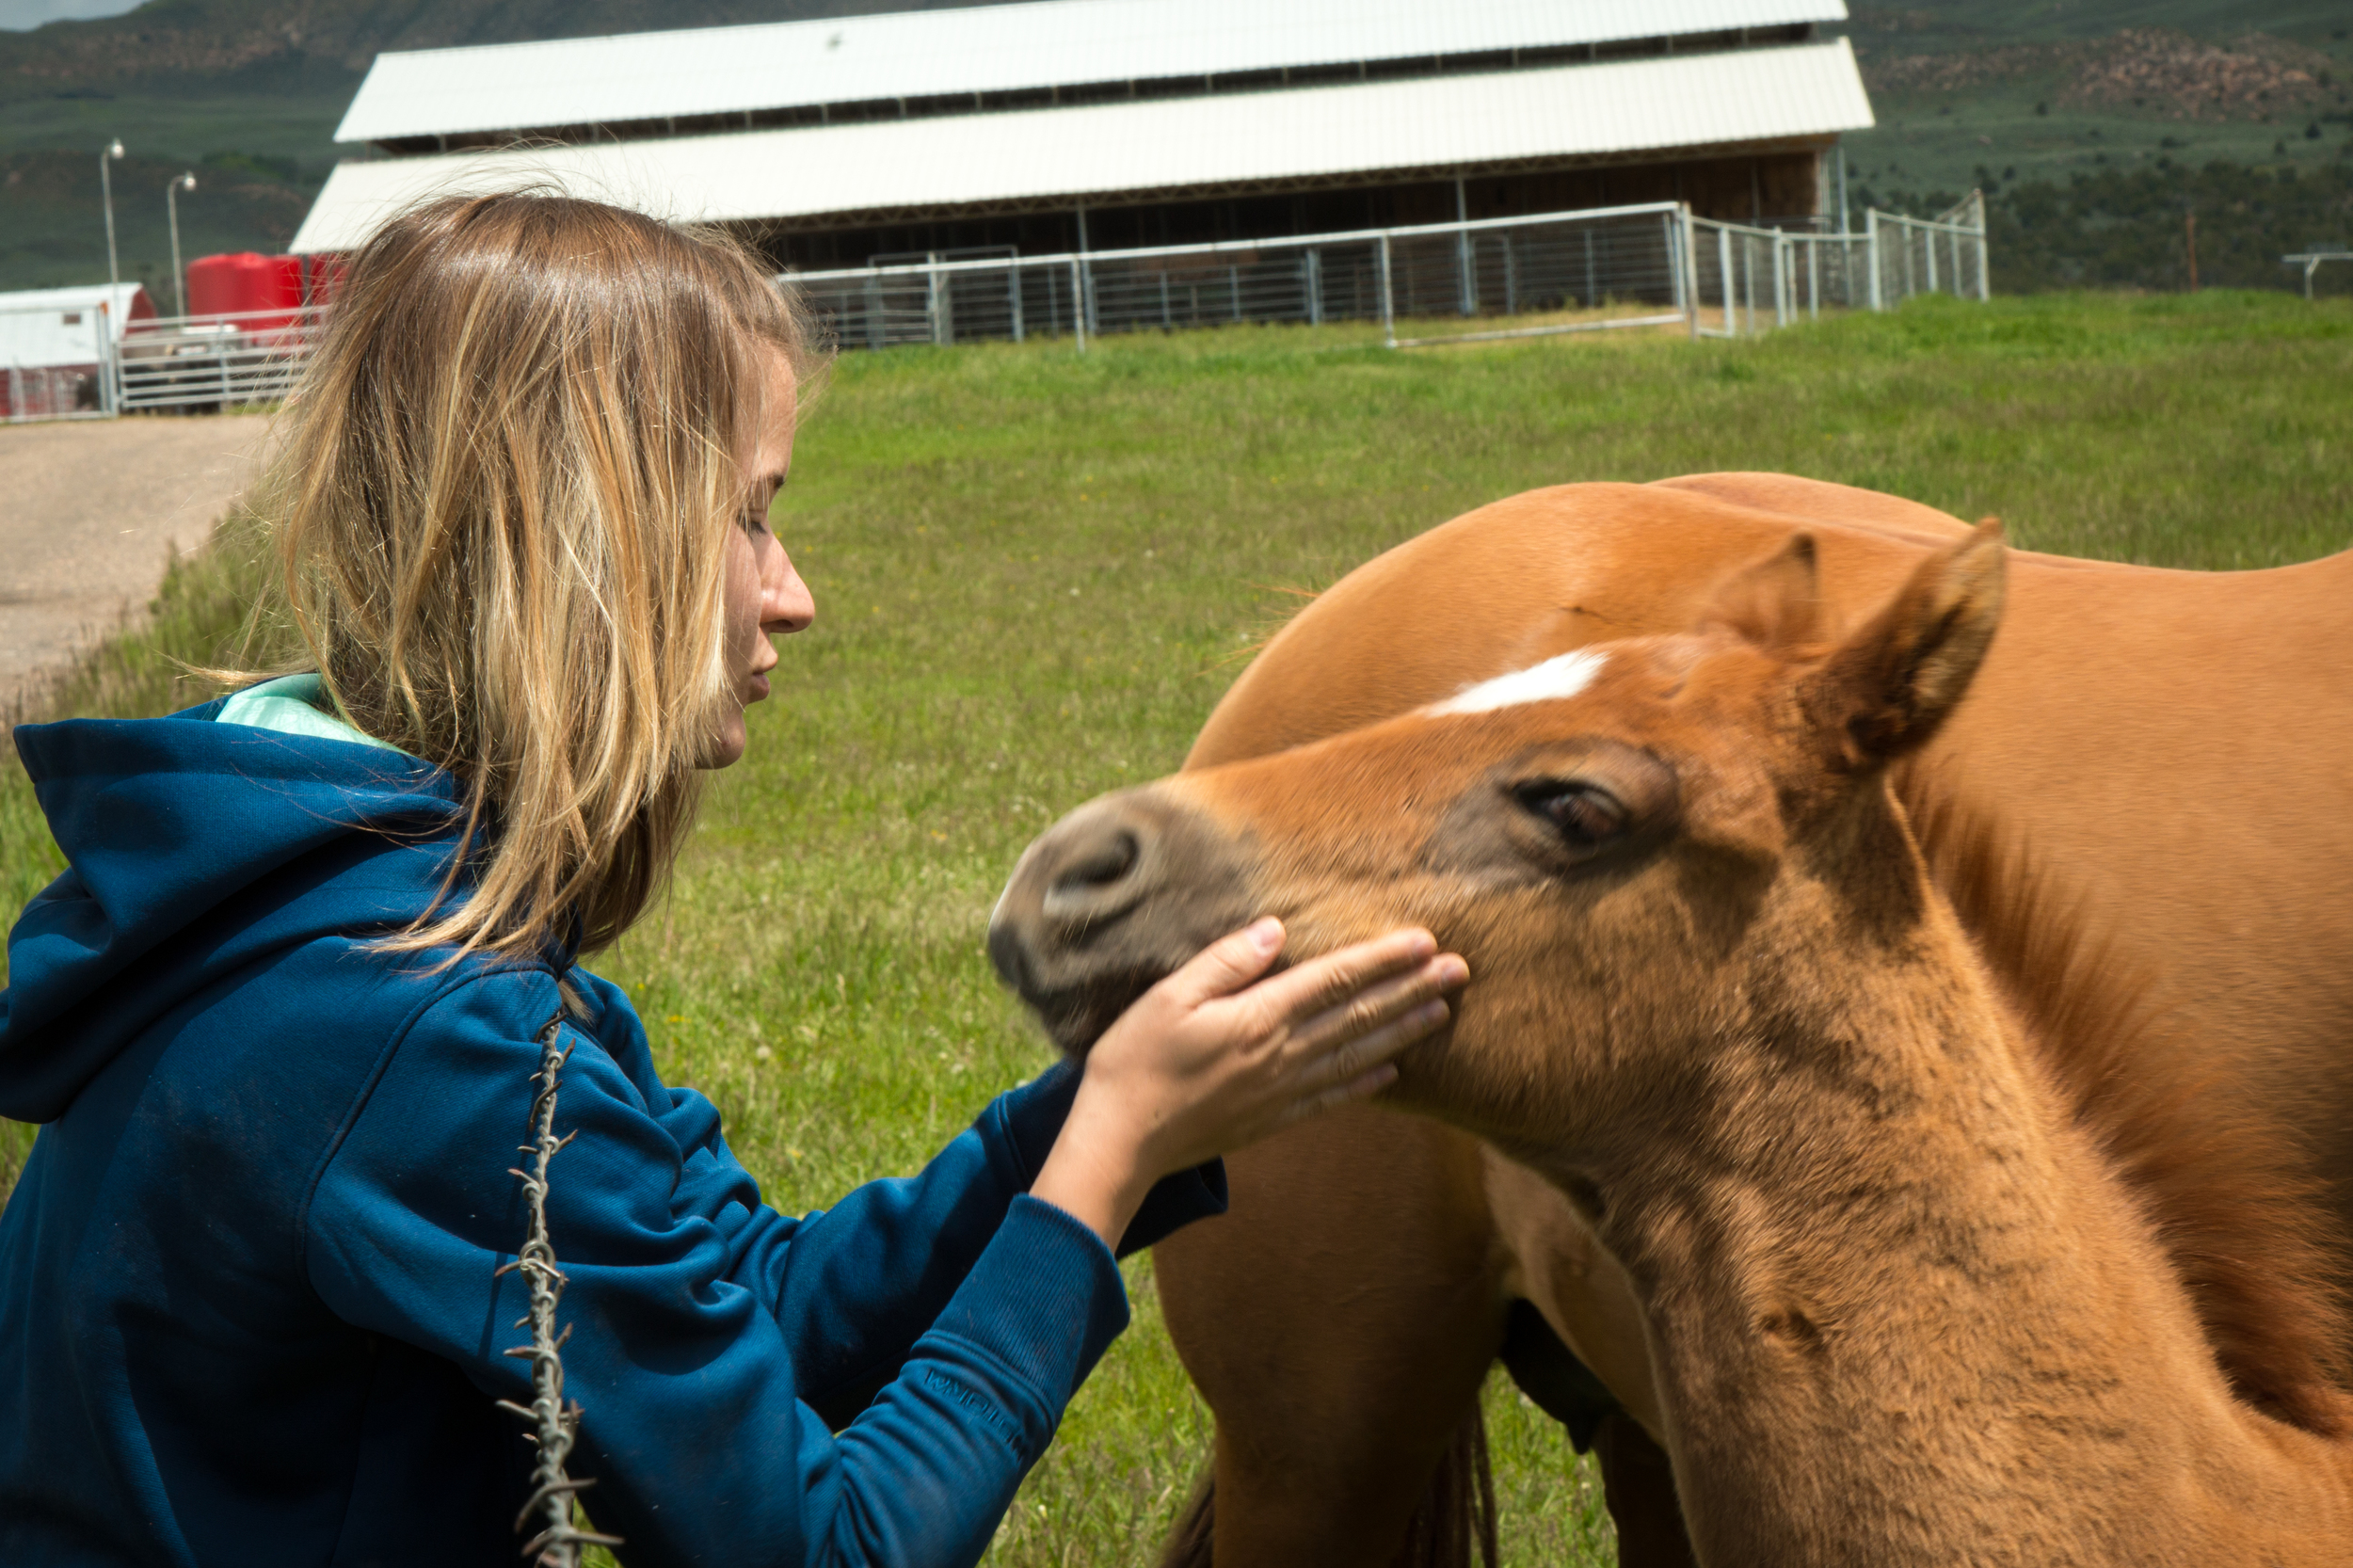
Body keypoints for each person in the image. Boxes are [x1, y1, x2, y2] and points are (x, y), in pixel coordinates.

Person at [0, 193, 1465, 1567]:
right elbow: (829, 1542)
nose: (796, 591)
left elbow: (752, 1312)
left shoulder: (327, 910)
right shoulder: (420, 1036)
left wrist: (1091, 1106)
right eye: (752, 515)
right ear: (592, 541)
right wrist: (1105, 1163)